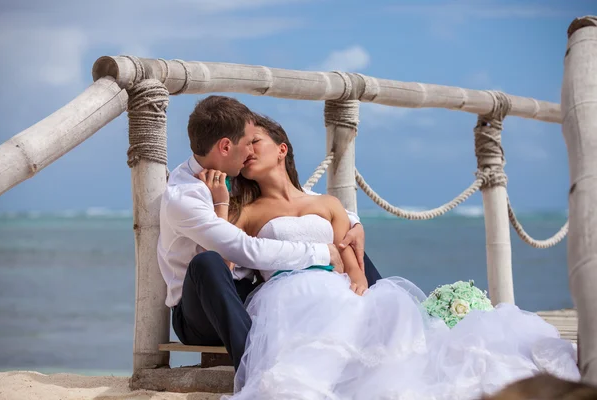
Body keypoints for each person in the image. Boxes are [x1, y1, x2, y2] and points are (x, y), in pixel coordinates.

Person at [198, 114, 580, 399]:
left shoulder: (328, 203)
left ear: (281, 150)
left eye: (256, 143)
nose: (247, 152)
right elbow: (227, 262)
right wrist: (220, 204)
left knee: (392, 333)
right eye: (244, 146)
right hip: (285, 298)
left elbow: (354, 267)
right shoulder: (246, 213)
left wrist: (359, 291)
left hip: (334, 288)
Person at [156, 95, 381, 371]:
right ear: (226, 147)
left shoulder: (237, 175)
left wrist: (353, 224)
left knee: (352, 246)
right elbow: (241, 249)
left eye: (255, 142)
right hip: (201, 307)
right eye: (248, 142)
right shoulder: (186, 196)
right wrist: (321, 252)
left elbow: (296, 206)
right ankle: (255, 372)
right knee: (207, 262)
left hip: (246, 295)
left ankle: (388, 328)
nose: (250, 150)